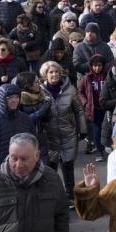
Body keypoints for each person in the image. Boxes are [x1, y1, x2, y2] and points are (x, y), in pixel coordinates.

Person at [39, 61, 87, 207]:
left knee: (67, 167)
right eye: (51, 72)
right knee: (51, 168)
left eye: (56, 72)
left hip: (68, 134)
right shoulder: (40, 91)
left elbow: (78, 110)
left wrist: (83, 129)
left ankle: (71, 197)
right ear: (45, 75)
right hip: (49, 136)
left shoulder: (70, 89)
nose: (54, 75)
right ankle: (52, 196)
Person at [0, 83, 37, 174]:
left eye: (16, 97)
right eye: (9, 98)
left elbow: (37, 143)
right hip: (3, 173)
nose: (14, 100)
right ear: (2, 99)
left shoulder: (26, 119)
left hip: (27, 170)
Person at [77, 55, 108, 163]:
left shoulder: (107, 76)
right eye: (95, 65)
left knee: (107, 129)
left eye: (99, 65)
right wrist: (85, 103)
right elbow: (80, 91)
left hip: (106, 107)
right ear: (91, 66)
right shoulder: (87, 78)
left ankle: (106, 147)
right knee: (96, 130)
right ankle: (99, 151)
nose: (97, 68)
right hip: (94, 108)